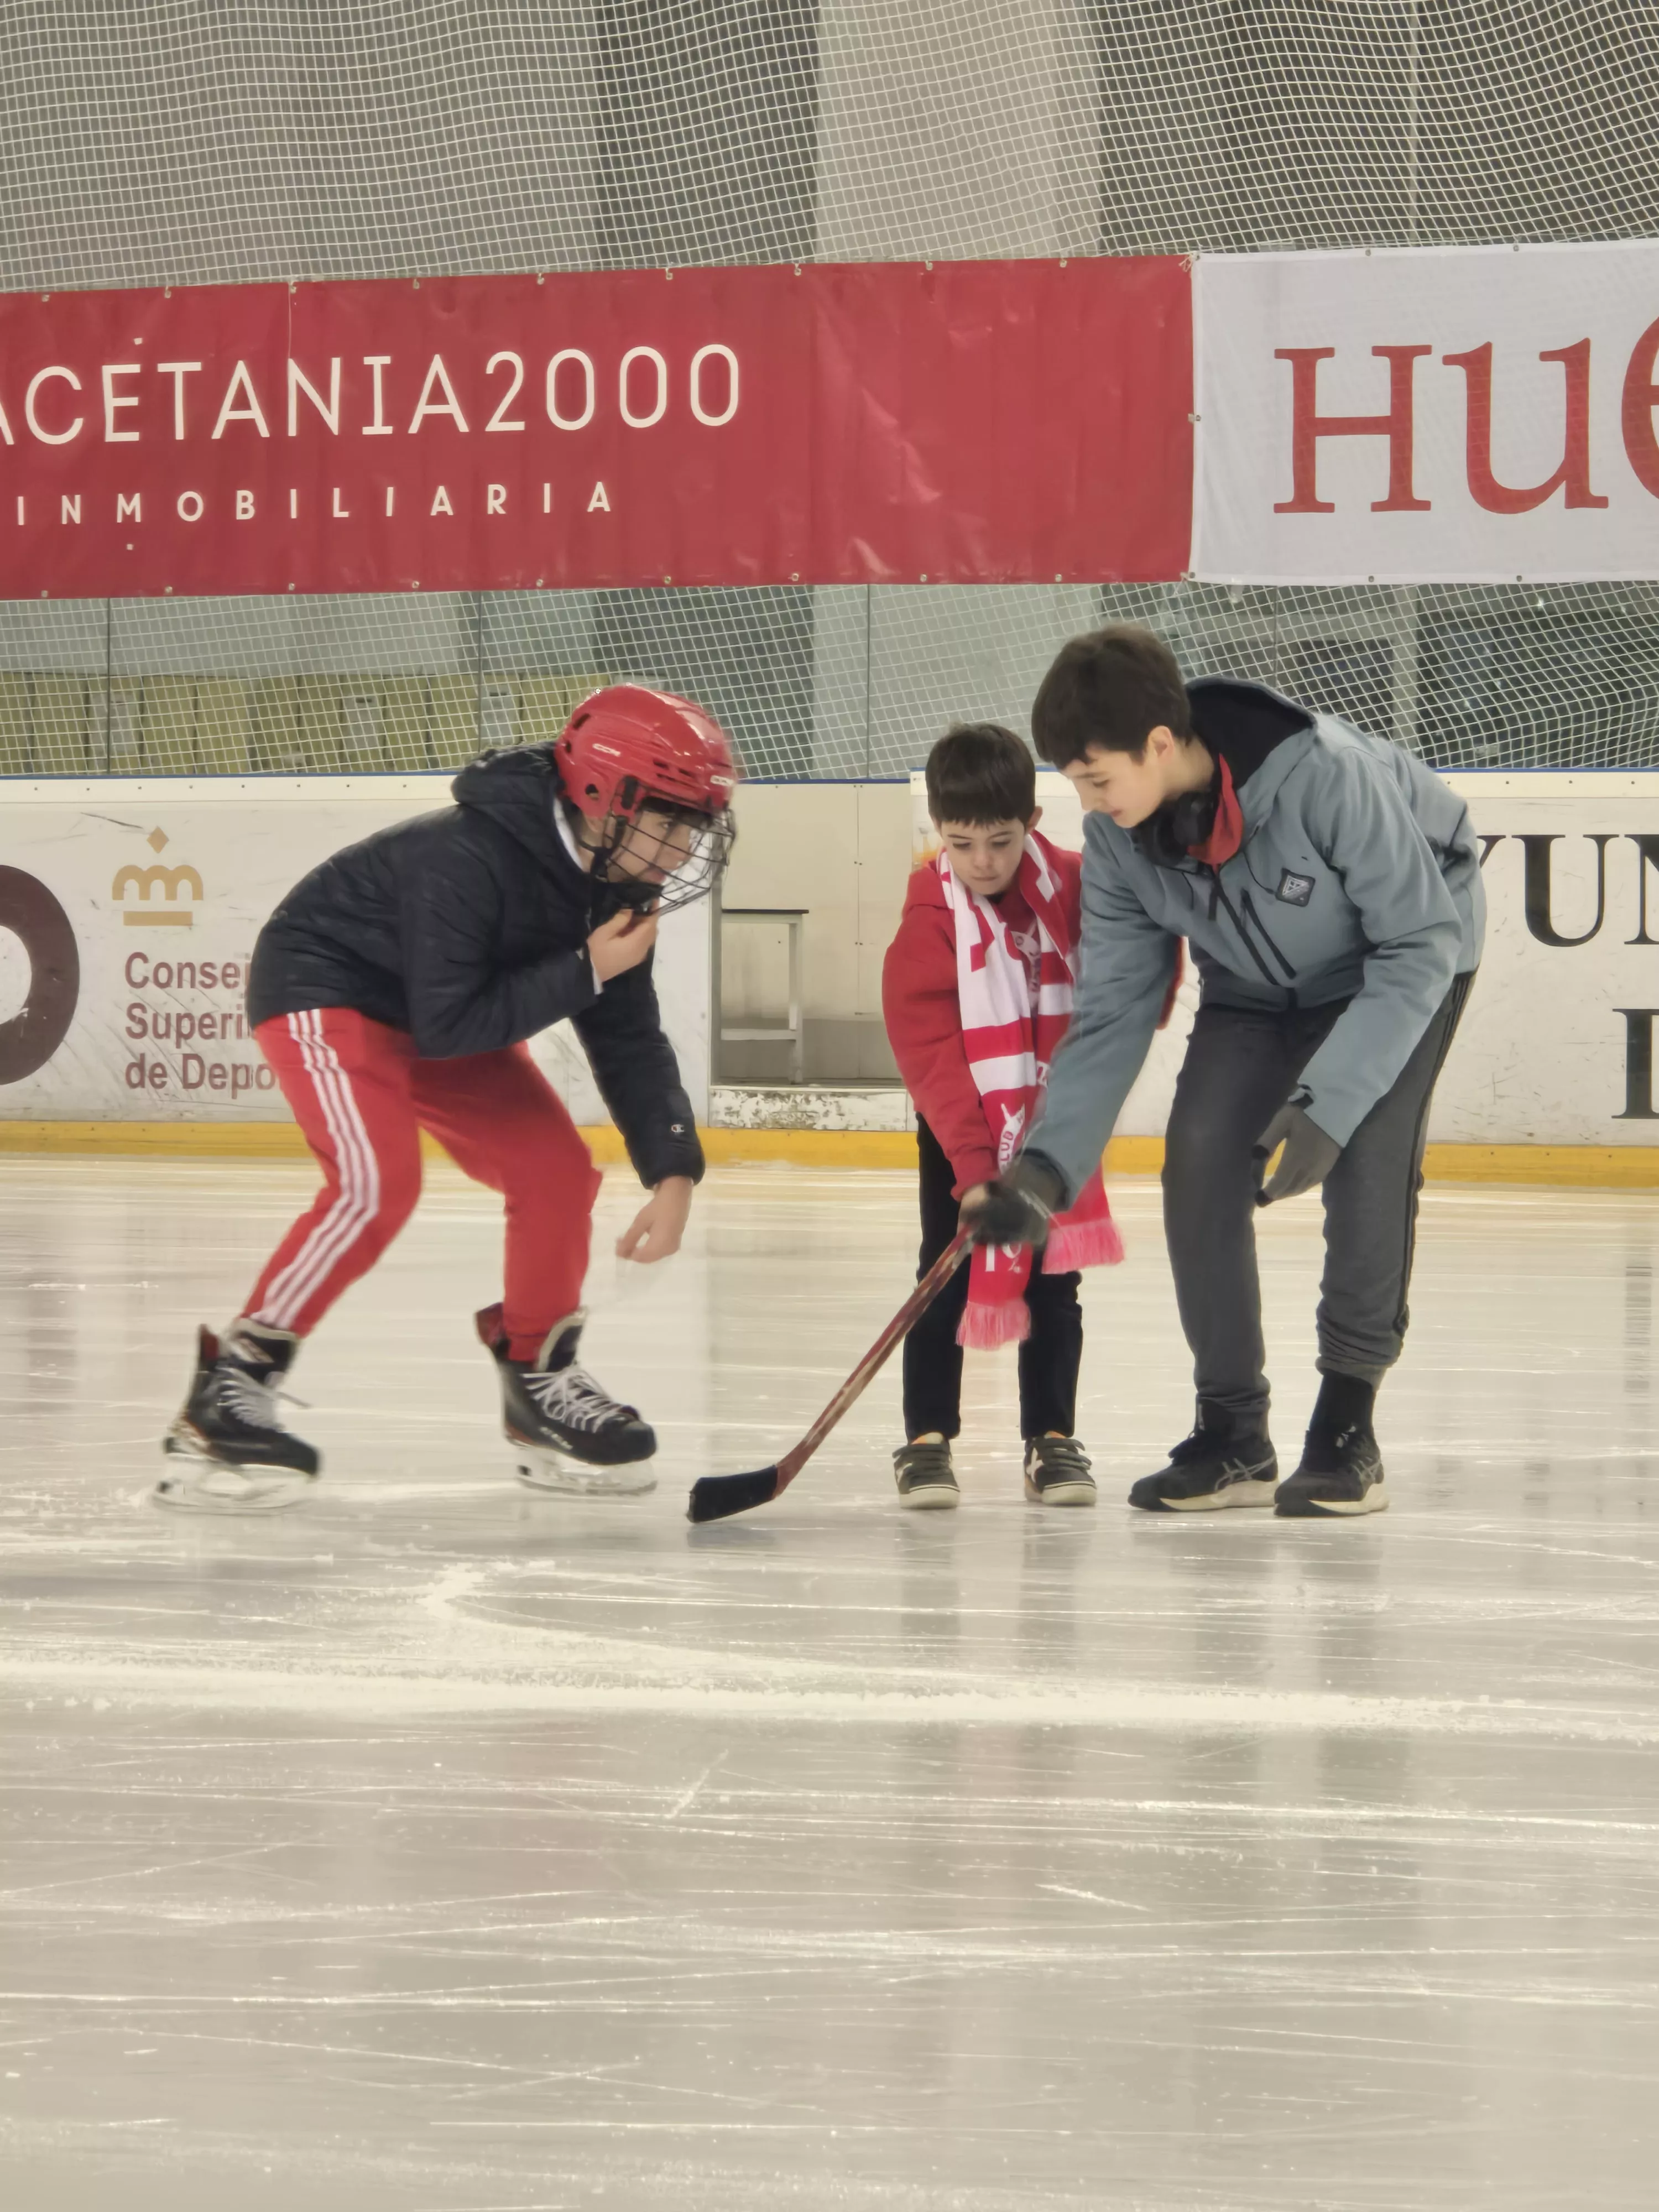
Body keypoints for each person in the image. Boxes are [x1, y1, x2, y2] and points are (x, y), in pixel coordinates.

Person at [156, 685, 737, 1514]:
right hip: (330, 989)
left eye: (695, 827)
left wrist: (673, 1170)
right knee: (375, 1185)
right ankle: (232, 1386)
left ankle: (538, 1380)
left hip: (444, 1014)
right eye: (669, 821)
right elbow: (455, 1021)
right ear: (604, 794)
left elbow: (628, 1037)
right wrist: (585, 969)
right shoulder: (466, 855)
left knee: (555, 1172)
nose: (682, 849)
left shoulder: (619, 881)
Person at [964, 627, 1483, 1520]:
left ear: (1159, 745)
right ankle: (1233, 1431)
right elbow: (1115, 1008)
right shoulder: (1119, 840)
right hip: (1250, 989)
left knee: (1366, 1169)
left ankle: (1346, 1426)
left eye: (1097, 778)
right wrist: (1045, 1170)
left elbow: (1419, 941)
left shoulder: (1329, 779)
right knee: (1200, 1162)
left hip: (1399, 963)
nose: (1088, 803)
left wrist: (1328, 1106)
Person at [880, 723, 1126, 1510]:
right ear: (938, 831)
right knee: (944, 1266)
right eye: (961, 844)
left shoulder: (1076, 886)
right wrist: (976, 1172)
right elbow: (930, 1054)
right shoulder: (932, 916)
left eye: (1000, 841)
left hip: (1057, 1120)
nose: (982, 862)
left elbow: (1132, 975)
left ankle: (1051, 1437)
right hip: (959, 1120)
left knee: (1055, 1276)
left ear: (1032, 822)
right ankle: (927, 1438)